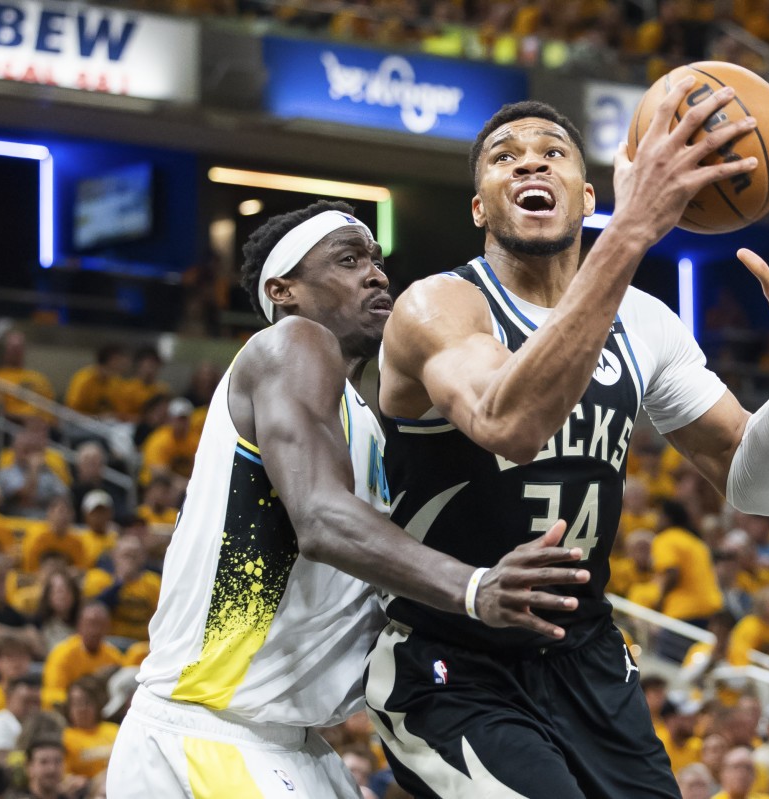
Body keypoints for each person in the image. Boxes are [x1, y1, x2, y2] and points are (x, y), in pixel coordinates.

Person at [367, 88, 769, 798]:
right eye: (504, 158)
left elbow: (757, 486)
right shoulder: (438, 305)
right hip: (452, 656)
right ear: (478, 207)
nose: (529, 164)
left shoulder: (644, 321)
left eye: (552, 153)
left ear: (586, 195)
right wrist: (630, 232)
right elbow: (509, 423)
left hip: (586, 655)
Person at [105, 200, 589, 798]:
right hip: (210, 734)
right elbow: (320, 520)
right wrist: (474, 588)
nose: (377, 275)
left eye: (377, 261)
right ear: (283, 290)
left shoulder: (361, 415)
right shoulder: (291, 343)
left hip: (291, 743)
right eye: (349, 260)